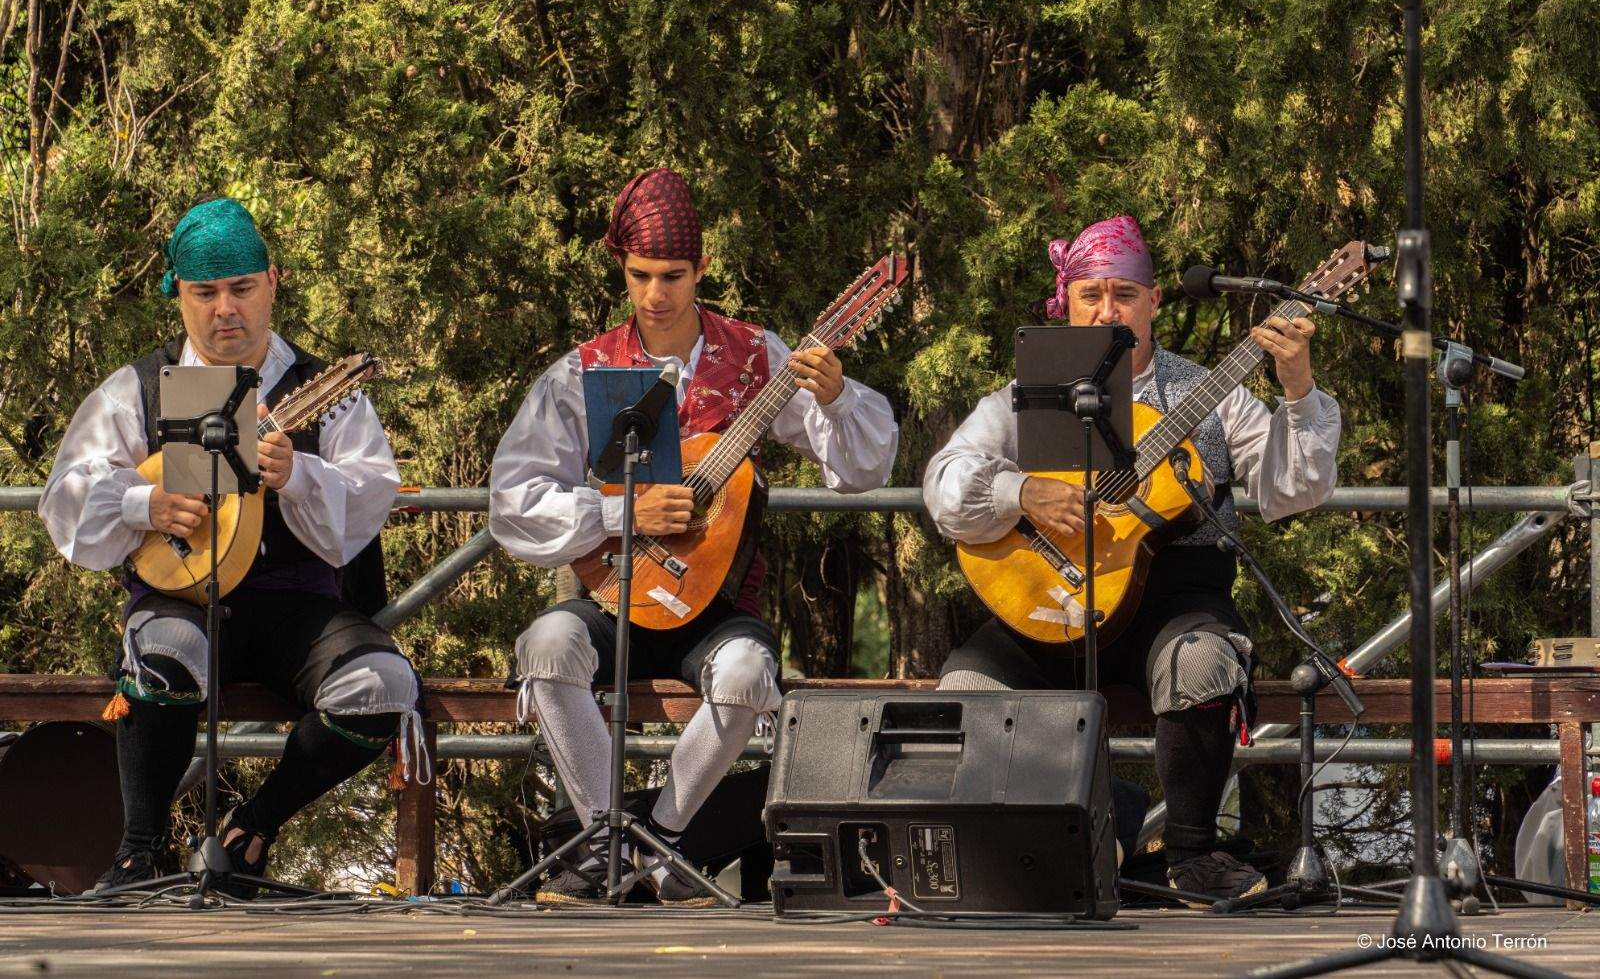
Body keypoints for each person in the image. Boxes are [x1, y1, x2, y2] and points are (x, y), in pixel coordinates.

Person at [490, 168, 898, 906]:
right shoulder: (584, 370)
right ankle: (608, 842)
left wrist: (835, 396)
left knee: (746, 674)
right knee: (545, 646)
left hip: (718, 605)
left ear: (702, 268)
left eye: (673, 275)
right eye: (640, 275)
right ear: (622, 268)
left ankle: (666, 838)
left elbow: (864, 467)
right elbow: (512, 502)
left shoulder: (755, 356)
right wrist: (624, 514)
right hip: (616, 595)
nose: (655, 294)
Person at [923, 215, 1341, 903]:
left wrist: (1296, 388)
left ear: (1152, 303)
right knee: (967, 685)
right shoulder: (1028, 396)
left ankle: (1192, 851)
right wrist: (1020, 490)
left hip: (1174, 602)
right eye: (1091, 294)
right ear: (1069, 304)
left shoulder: (1212, 395)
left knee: (1202, 661)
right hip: (1047, 604)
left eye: (1124, 292)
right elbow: (944, 488)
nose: (1107, 309)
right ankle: (1037, 850)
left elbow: (1291, 491)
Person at [38, 197, 420, 893]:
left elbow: (372, 493)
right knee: (167, 652)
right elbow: (65, 496)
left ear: (272, 281)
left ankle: (254, 827)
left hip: (295, 610)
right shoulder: (139, 388)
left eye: (242, 288)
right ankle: (139, 849)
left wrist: (299, 474)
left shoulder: (317, 387)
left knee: (384, 684)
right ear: (178, 296)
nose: (225, 310)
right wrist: (142, 503)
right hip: (181, 597)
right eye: (204, 292)